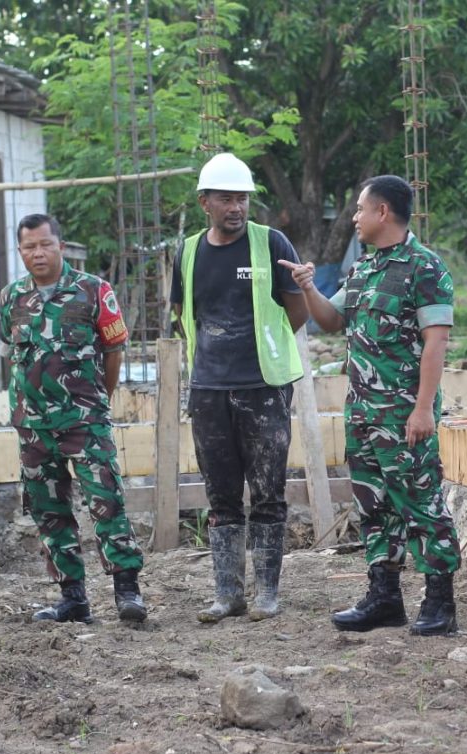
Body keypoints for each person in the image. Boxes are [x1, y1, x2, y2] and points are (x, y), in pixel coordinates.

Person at [280, 174, 460, 636]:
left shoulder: (425, 268)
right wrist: (307, 287)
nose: (355, 218)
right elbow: (330, 318)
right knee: (374, 507)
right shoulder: (363, 270)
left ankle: (440, 602)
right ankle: (384, 597)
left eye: (360, 209)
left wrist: (423, 410)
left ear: (383, 212)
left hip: (403, 416)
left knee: (421, 504)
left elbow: (436, 344)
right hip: (362, 415)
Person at [171, 153, 309, 623]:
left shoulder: (271, 243)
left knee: (268, 492)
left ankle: (267, 593)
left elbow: (296, 312)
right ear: (205, 202)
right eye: (226, 198)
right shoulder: (188, 251)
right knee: (222, 496)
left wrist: (260, 348)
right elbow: (183, 316)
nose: (236, 206)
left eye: (242, 198)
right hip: (208, 389)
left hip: (263, 386)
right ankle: (228, 594)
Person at [0, 213, 147, 624]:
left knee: (106, 503)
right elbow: (11, 354)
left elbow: (113, 352)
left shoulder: (93, 291)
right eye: (29, 247)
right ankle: (73, 599)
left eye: (45, 244)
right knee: (49, 511)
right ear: (21, 251)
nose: (38, 253)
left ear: (61, 246)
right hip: (33, 427)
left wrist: (98, 399)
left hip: (84, 422)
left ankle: (127, 592)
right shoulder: (12, 299)